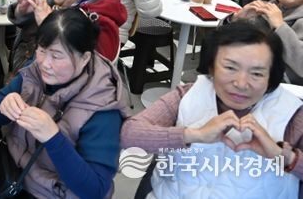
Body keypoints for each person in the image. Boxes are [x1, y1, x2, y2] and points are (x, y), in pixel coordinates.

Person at [121, 21, 303, 198]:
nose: (241, 84)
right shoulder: (189, 94)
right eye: (230, 67)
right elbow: (128, 134)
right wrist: (193, 135)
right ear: (211, 66)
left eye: (257, 73)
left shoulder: (292, 113)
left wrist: (283, 156)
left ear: (271, 76)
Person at [0, 0, 126, 152]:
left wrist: (47, 23)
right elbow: (26, 16)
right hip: (33, 68)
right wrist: (22, 10)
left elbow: (91, 69)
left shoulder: (99, 20)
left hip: (56, 90)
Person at [0, 8, 129, 198]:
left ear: (85, 58)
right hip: (11, 170)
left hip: (50, 193)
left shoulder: (102, 108)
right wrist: (3, 104)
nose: (45, 63)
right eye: (41, 50)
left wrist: (53, 138)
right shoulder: (36, 71)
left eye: (56, 56)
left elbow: (94, 190)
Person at [224, 0, 303, 85]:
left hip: (281, 88)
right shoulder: (265, 4)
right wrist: (235, 19)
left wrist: (280, 26)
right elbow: (223, 41)